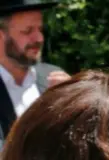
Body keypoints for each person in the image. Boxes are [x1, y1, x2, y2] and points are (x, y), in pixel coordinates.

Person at [0, 0, 70, 142]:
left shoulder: (55, 79)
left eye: (40, 29)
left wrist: (75, 103)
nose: (39, 38)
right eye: (27, 31)